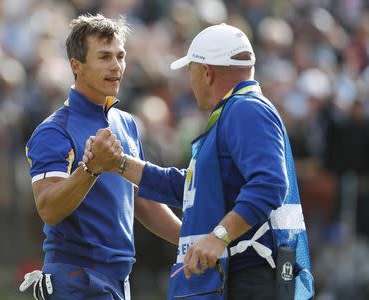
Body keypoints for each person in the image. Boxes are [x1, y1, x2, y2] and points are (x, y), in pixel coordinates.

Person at [84, 24, 314, 299]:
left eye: (190, 70)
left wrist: (220, 236)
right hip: (242, 278)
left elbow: (270, 184)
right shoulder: (237, 110)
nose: (189, 81)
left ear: (207, 72)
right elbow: (195, 190)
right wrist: (120, 164)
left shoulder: (246, 109)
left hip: (252, 279)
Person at [19, 14, 181, 300]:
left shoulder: (126, 123)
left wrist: (192, 242)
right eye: (104, 57)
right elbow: (49, 209)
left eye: (120, 56)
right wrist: (90, 169)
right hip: (76, 280)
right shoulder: (54, 130)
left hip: (117, 278)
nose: (116, 66)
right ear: (76, 66)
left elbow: (143, 203)